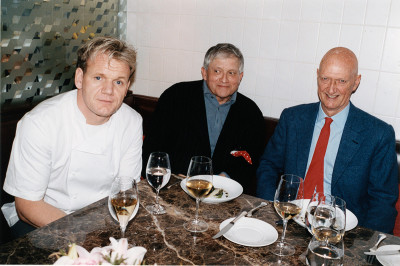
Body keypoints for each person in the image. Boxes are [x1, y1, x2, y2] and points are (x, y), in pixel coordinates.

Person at [2, 36, 142, 238]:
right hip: (41, 221)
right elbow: (27, 206)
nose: (108, 91)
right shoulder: (40, 122)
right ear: (79, 78)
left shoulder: (132, 121)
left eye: (118, 82)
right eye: (98, 78)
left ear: (127, 86)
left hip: (103, 219)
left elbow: (126, 191)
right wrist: (81, 237)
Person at [256, 47, 398, 233]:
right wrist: (273, 214)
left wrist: (363, 250)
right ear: (317, 76)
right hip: (289, 222)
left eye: (341, 81)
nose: (331, 89)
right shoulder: (293, 119)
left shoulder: (377, 134)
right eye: (325, 79)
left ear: (355, 83)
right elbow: (268, 167)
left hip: (344, 235)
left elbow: (383, 202)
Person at [142, 43, 266, 195]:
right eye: (217, 71)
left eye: (231, 73)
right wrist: (173, 178)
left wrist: (225, 179)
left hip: (225, 194)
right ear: (204, 73)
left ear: (240, 77)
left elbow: (252, 161)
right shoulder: (175, 97)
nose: (224, 79)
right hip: (172, 190)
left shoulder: (251, 113)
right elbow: (152, 150)